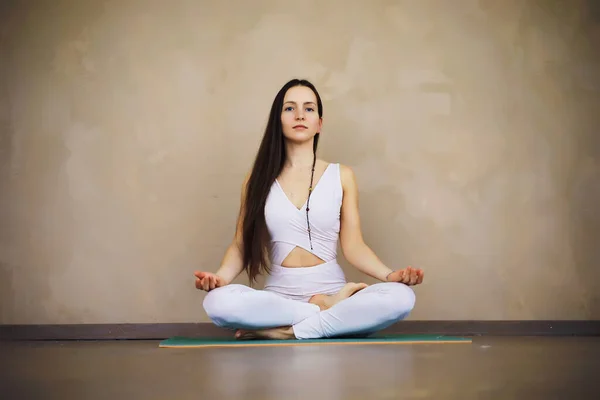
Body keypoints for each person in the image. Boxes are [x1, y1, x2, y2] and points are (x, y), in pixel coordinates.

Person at [194, 78, 424, 340]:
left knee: (401, 297)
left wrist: (389, 274)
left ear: (319, 124)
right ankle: (321, 312)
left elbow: (354, 246)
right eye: (290, 108)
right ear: (278, 120)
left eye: (309, 108)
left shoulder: (342, 175)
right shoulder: (256, 179)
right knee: (217, 303)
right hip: (280, 298)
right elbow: (240, 245)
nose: (300, 115)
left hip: (333, 289)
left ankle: (289, 330)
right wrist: (220, 279)